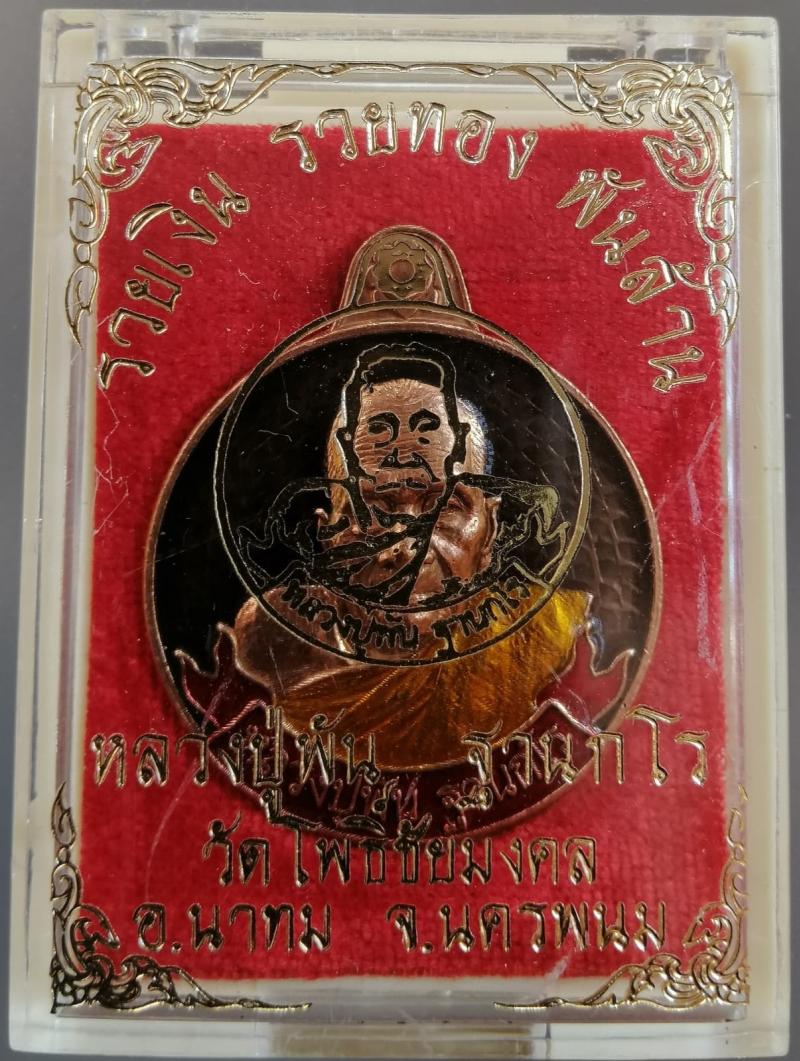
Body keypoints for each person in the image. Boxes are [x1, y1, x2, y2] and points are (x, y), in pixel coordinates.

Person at [231, 341, 592, 771]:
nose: (407, 550)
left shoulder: (552, 632)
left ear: (490, 528)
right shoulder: (271, 636)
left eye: (444, 509)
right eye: (371, 512)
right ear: (327, 534)